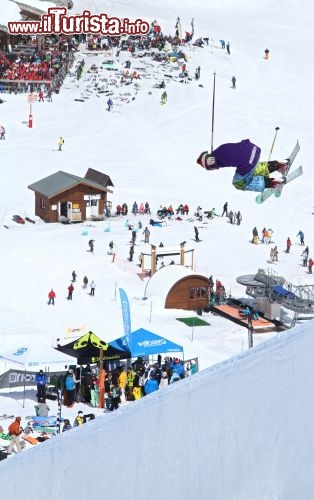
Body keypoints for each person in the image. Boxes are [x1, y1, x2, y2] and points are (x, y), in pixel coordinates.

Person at [197, 139, 288, 192]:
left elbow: (207, 161)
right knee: (250, 168)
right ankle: (277, 165)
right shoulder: (220, 150)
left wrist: (208, 160)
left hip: (248, 160)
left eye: (209, 169)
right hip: (254, 149)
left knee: (238, 182)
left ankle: (271, 182)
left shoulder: (214, 159)